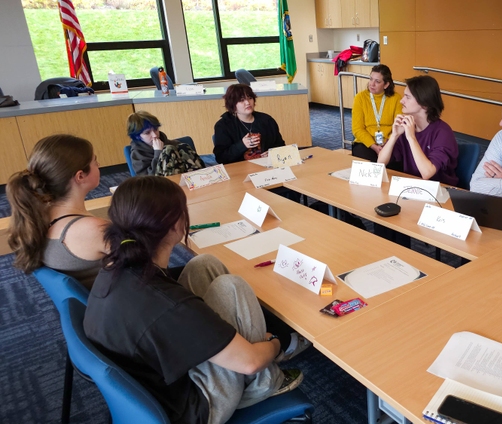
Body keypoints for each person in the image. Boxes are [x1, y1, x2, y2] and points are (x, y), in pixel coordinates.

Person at [83, 176, 308, 424]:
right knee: (232, 287)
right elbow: (251, 362)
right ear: (174, 225)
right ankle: (267, 382)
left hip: (160, 375)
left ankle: (252, 351)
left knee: (203, 264)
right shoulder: (165, 302)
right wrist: (274, 341)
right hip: (194, 408)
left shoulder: (118, 267)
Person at [7, 135, 108, 289]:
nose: (99, 164)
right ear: (80, 176)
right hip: (124, 307)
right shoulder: (94, 229)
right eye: (95, 161)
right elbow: (147, 265)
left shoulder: (36, 218)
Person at [377, 75, 459, 186]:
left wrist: (411, 138)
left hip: (440, 191)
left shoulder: (443, 132)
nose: (402, 101)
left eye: (407, 97)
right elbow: (380, 163)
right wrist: (394, 136)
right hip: (412, 186)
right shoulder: (406, 126)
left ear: (424, 103)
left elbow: (427, 173)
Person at [213, 84, 286, 164]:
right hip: (239, 169)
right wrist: (242, 145)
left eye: (250, 98)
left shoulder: (267, 120)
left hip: (266, 166)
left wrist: (273, 154)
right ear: (233, 104)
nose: (247, 103)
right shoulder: (223, 125)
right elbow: (221, 158)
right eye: (241, 100)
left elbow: (281, 146)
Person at [126, 111, 205, 176]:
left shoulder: (170, 143)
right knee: (168, 150)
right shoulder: (137, 154)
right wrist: (158, 153)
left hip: (184, 180)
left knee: (182, 147)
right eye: (147, 133)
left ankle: (201, 178)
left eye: (156, 129)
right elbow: (148, 179)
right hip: (159, 188)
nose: (154, 135)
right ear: (137, 137)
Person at [351, 64, 402, 162]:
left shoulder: (396, 98)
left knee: (395, 161)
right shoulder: (360, 98)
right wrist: (374, 146)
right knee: (368, 162)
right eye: (371, 79)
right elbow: (357, 129)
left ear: (386, 85)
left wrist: (389, 142)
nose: (372, 84)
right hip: (365, 143)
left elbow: (398, 126)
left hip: (389, 142)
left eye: (377, 81)